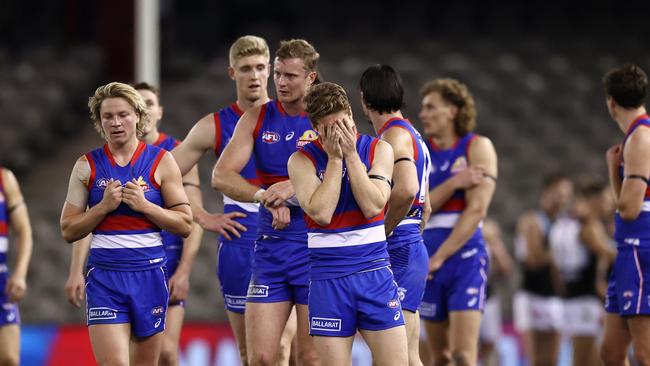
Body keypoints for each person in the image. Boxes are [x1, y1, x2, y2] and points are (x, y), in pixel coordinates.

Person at [171, 35, 297, 365]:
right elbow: (163, 175)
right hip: (241, 241)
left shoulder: (295, 116)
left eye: (259, 68)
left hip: (293, 237)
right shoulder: (214, 125)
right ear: (232, 73)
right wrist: (201, 215)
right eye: (245, 69)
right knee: (253, 355)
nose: (253, 76)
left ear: (270, 70)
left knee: (292, 348)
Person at [60, 82, 193, 365]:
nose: (116, 122)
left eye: (123, 114)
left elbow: (185, 224)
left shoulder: (162, 161)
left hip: (150, 275)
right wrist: (102, 208)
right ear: (99, 121)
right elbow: (68, 229)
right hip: (105, 278)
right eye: (108, 116)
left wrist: (145, 206)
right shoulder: (86, 166)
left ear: (138, 116)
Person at [212, 39, 321, 366]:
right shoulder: (257, 118)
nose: (281, 83)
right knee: (260, 358)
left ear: (311, 78)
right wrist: (264, 196)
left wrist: (292, 186)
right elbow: (221, 175)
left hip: (313, 248)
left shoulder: (324, 118)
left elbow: (343, 174)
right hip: (270, 247)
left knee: (310, 359)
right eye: (278, 74)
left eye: (290, 76)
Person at [288, 81, 407, 365]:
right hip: (329, 278)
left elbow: (373, 205)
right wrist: (334, 158)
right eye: (331, 129)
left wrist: (351, 155)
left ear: (352, 114)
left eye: (345, 123)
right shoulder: (301, 161)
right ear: (317, 130)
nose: (342, 134)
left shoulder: (379, 149)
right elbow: (322, 213)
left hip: (374, 272)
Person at [418, 78, 498, 366]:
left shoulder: (478, 147)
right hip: (428, 260)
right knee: (438, 358)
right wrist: (455, 182)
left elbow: (477, 210)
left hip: (464, 258)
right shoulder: (422, 153)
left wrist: (440, 257)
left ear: (452, 110)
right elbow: (421, 205)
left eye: (430, 107)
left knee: (463, 355)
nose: (423, 114)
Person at [359, 64, 430, 366]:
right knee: (407, 355)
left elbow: (406, 191)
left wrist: (382, 232)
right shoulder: (412, 133)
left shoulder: (393, 137)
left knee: (396, 356)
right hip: (409, 243)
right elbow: (426, 207)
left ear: (364, 99)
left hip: (399, 246)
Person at [600, 64, 650, 366]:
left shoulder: (640, 138)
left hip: (639, 247)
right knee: (611, 352)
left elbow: (629, 208)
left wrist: (611, 172)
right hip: (628, 250)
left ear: (611, 102)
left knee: (644, 355)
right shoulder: (636, 137)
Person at [550, 177, 616, 366]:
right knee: (583, 361)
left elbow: (555, 265)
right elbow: (609, 253)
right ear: (594, 199)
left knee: (595, 360)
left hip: (571, 296)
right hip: (584, 301)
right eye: (605, 199)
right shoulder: (588, 225)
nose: (609, 204)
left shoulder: (564, 220)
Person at [513, 173, 572, 366]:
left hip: (554, 297)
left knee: (552, 360)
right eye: (559, 193)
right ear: (547, 192)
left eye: (566, 194)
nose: (564, 198)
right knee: (537, 360)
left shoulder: (564, 223)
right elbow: (534, 260)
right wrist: (557, 254)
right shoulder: (532, 220)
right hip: (532, 296)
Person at [0, 167, 32, 366]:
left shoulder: (5, 179)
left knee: (10, 359)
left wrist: (20, 274)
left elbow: (24, 231)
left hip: (1, 281)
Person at [478, 219, 514, 366]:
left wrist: (494, 244)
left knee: (490, 345)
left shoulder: (491, 244)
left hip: (488, 299)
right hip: (465, 298)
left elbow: (507, 270)